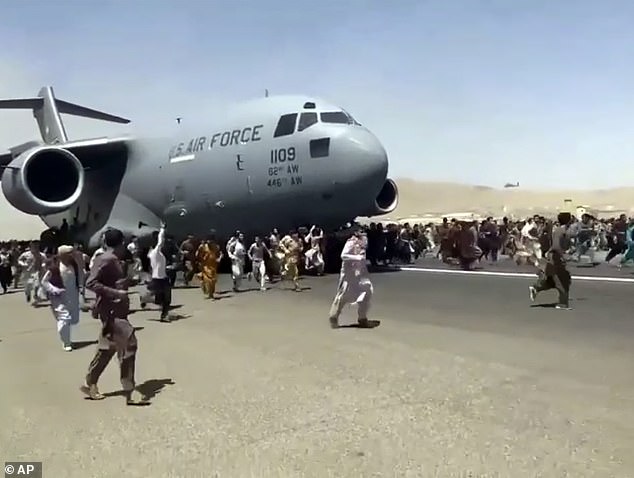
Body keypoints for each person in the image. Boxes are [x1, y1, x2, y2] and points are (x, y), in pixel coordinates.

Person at [81, 228, 145, 405]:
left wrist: (129, 282)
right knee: (129, 343)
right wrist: (115, 292)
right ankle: (129, 390)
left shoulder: (115, 260)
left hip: (116, 309)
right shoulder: (106, 259)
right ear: (122, 243)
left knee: (108, 348)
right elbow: (91, 282)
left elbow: (111, 281)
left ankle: (90, 382)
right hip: (111, 311)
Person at [328, 230, 374, 328]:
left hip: (360, 273)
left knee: (367, 291)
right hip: (349, 274)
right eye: (363, 234)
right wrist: (356, 258)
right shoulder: (351, 242)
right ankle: (333, 316)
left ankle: (362, 318)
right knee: (344, 295)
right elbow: (343, 256)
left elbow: (362, 256)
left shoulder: (362, 244)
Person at [41, 245, 82, 351]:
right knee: (64, 318)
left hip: (72, 295)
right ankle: (66, 342)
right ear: (62, 255)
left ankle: (66, 337)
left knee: (73, 319)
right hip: (59, 297)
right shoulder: (55, 267)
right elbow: (44, 282)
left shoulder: (74, 265)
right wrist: (55, 290)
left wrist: (81, 289)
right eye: (69, 253)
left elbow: (79, 277)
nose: (71, 255)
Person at [529, 212, 573, 310]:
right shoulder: (559, 231)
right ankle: (562, 303)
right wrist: (562, 255)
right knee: (562, 280)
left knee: (556, 280)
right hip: (556, 258)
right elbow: (556, 246)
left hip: (556, 257)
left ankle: (537, 288)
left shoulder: (563, 230)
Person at [145, 223, 171, 322]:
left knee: (166, 299)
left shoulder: (156, 254)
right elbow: (160, 241)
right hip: (158, 279)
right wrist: (162, 229)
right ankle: (145, 299)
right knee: (160, 299)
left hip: (162, 278)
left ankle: (164, 315)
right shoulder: (155, 252)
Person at [196, 233, 222, 299]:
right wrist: (199, 260)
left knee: (213, 281)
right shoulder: (203, 247)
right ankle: (206, 288)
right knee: (208, 279)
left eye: (211, 241)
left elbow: (220, 254)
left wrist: (219, 258)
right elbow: (198, 255)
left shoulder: (216, 247)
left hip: (213, 266)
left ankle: (211, 293)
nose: (209, 242)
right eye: (208, 240)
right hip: (205, 265)